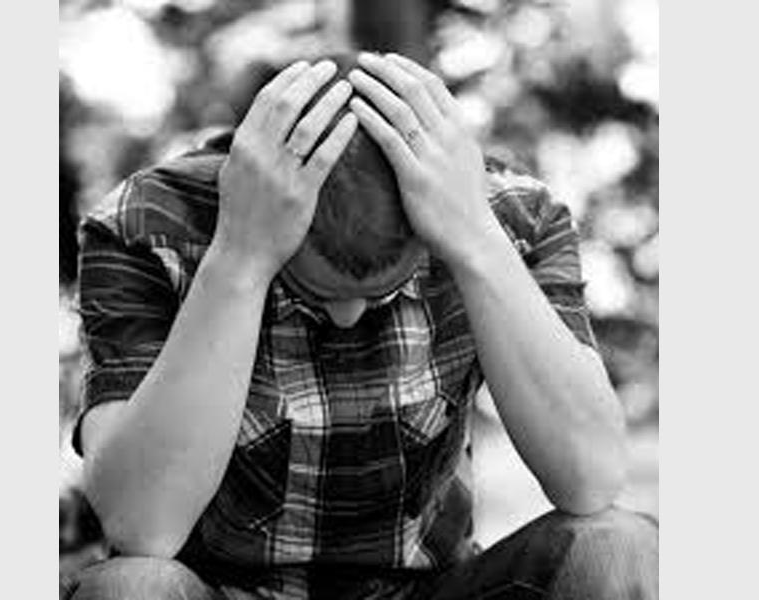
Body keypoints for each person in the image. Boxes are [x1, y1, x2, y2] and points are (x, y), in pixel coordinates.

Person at [66, 53, 658, 599]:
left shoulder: (511, 218)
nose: (349, 318)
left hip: (429, 588)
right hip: (219, 588)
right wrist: (241, 259)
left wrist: (477, 241)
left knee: (616, 550)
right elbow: (141, 526)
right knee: (131, 588)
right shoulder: (146, 225)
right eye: (318, 291)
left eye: (381, 292)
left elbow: (591, 479)